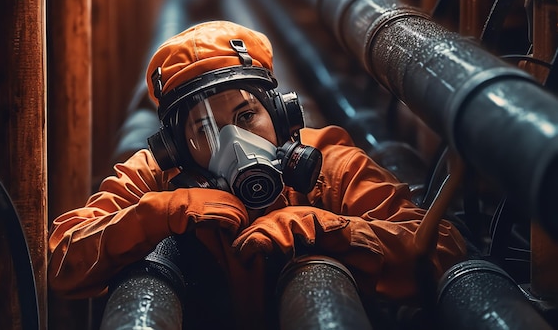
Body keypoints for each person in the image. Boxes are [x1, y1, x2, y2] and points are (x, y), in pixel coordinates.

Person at [48, 20, 467, 328]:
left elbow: (445, 256)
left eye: (247, 115)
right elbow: (64, 259)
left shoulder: (331, 165)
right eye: (204, 130)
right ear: (175, 148)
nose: (234, 141)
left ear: (281, 115)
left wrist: (324, 228)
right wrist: (159, 212)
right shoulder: (157, 176)